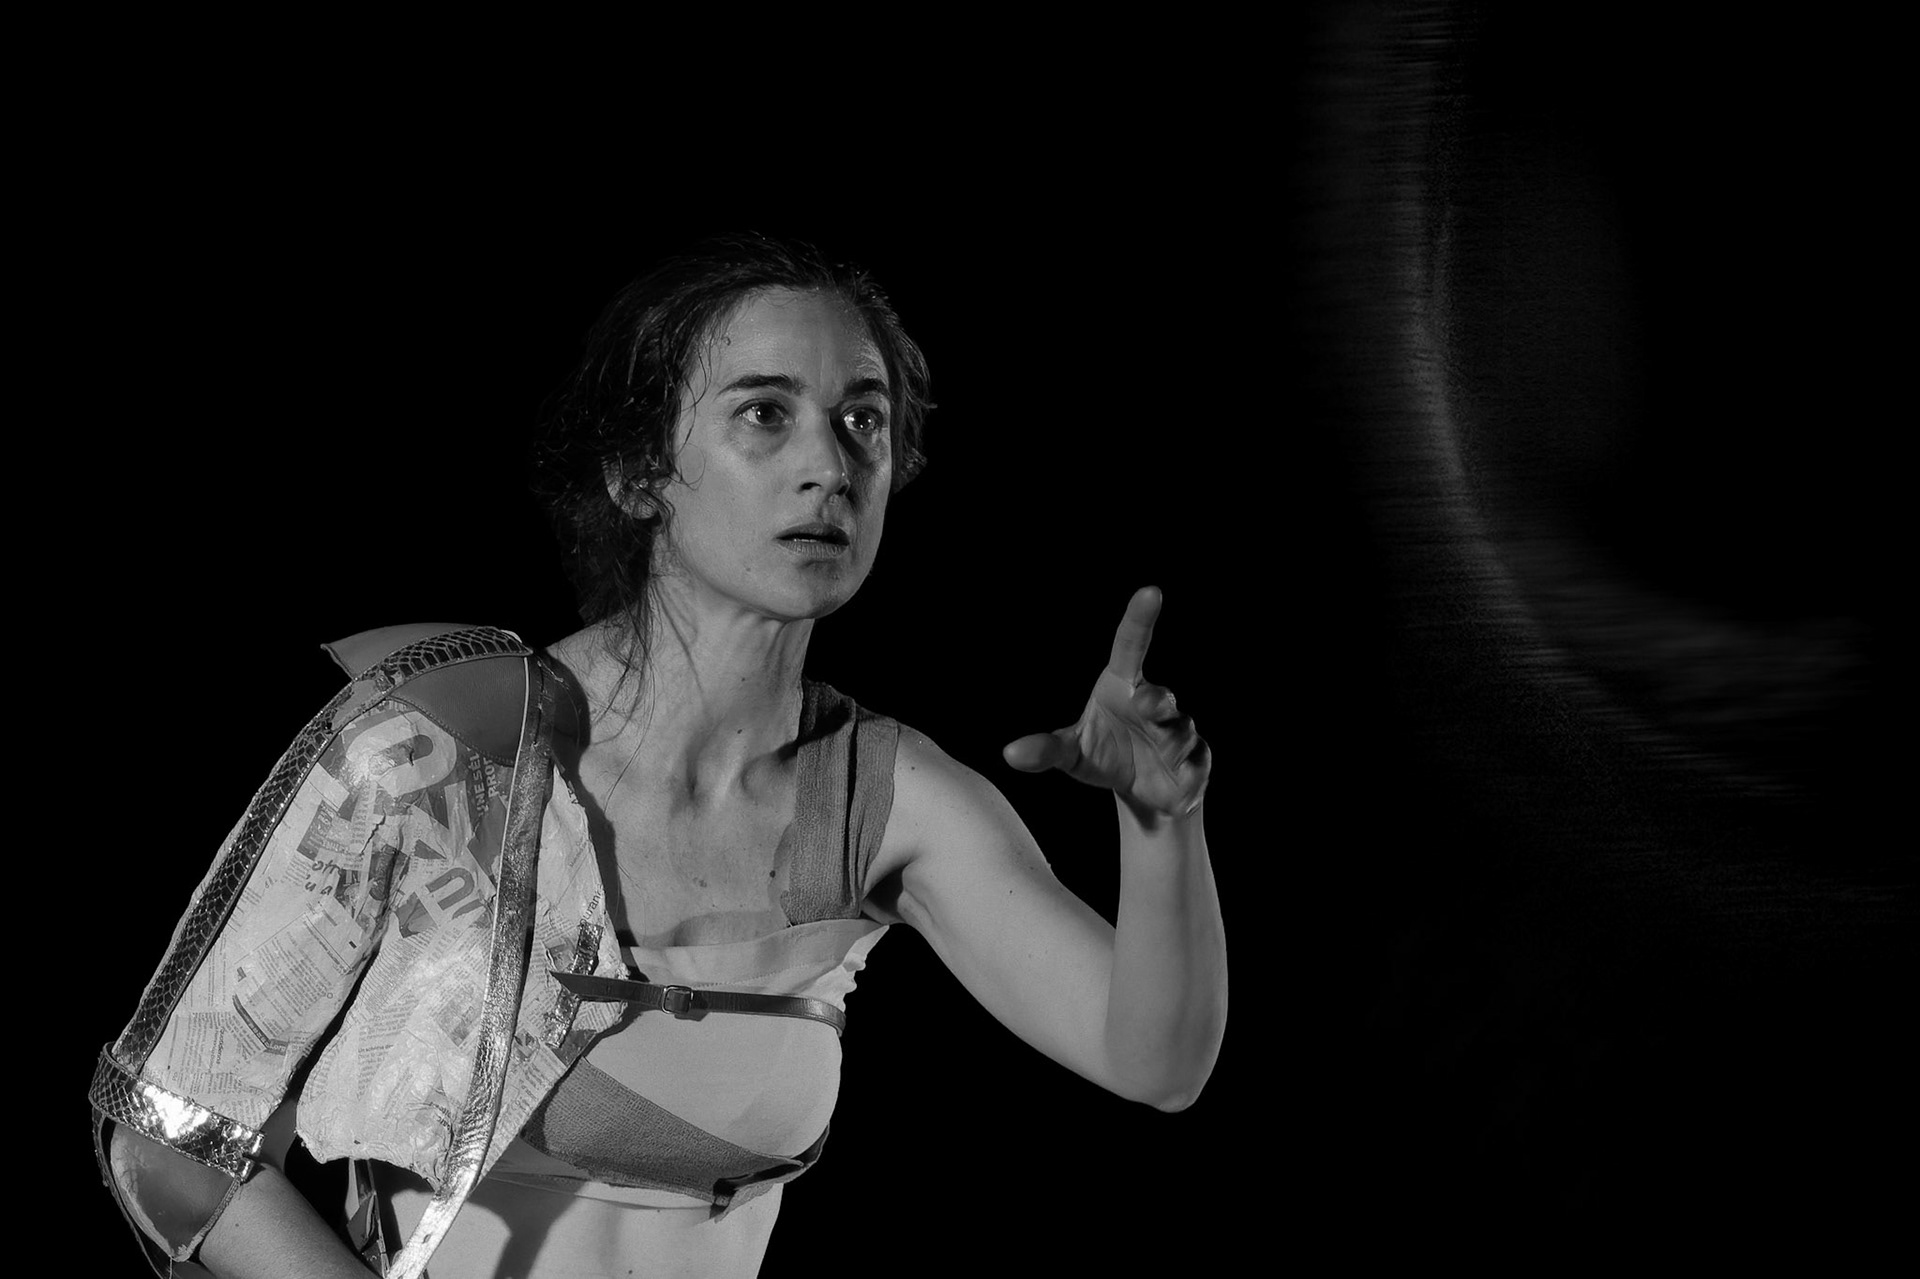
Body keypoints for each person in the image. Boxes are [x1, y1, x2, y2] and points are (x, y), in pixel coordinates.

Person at [90, 234, 1228, 1278]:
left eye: (862, 420)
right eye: (764, 413)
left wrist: (1161, 824)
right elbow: (167, 1131)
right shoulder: (442, 743)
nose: (830, 464)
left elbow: (1156, 1061)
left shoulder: (882, 798)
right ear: (638, 472)